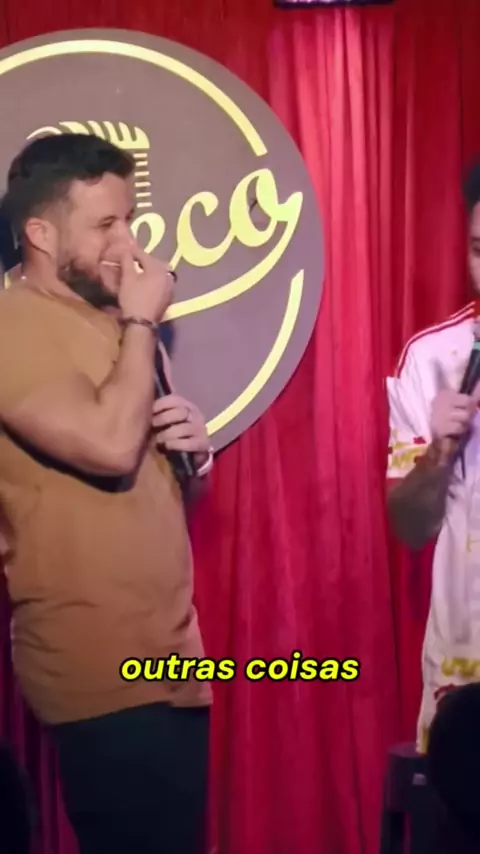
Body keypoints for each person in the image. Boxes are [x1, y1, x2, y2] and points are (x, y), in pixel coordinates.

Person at [0, 133, 214, 854]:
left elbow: (153, 493)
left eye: (130, 220)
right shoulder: (12, 325)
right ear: (39, 233)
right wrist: (144, 318)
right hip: (97, 668)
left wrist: (193, 457)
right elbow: (109, 447)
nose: (128, 244)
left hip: (173, 663)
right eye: (105, 225)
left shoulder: (116, 326)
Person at [386, 162, 480, 755]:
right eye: (479, 249)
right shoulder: (432, 359)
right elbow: (408, 526)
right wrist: (439, 454)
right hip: (464, 674)